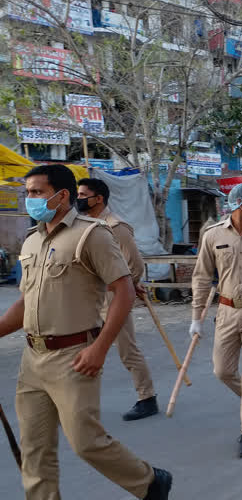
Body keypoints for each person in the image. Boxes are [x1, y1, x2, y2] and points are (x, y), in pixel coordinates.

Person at [0, 165, 171, 499]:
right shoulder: (32, 240)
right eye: (28, 192)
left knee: (85, 442)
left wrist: (100, 349)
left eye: (36, 192)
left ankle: (149, 481)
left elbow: (124, 292)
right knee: (34, 450)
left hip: (74, 356)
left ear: (61, 195)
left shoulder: (92, 234)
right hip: (33, 358)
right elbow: (25, 303)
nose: (30, 198)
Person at [188, 183, 242, 459]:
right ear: (240, 204)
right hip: (226, 310)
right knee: (222, 370)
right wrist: (196, 317)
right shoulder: (212, 235)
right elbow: (201, 276)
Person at [76, 178, 158, 421]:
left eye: (83, 195)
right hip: (88, 300)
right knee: (81, 350)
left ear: (98, 198)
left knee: (126, 350)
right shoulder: (82, 225)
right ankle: (77, 402)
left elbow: (134, 263)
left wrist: (127, 286)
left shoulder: (116, 227)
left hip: (113, 299)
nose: (78, 199)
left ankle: (147, 397)